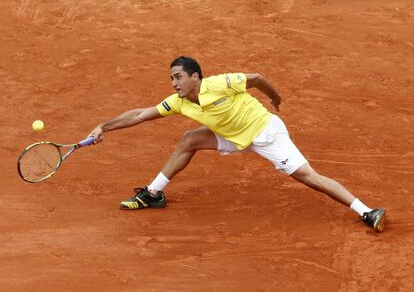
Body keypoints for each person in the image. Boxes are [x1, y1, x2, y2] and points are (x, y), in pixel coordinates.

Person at [88, 56, 385, 232]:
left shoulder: (218, 84)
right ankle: (154, 193)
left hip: (264, 132)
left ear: (195, 76)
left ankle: (366, 211)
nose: (174, 83)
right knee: (190, 139)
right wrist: (104, 126)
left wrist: (275, 97)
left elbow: (255, 77)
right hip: (230, 134)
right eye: (171, 78)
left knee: (309, 177)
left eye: (178, 77)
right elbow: (141, 114)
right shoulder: (179, 102)